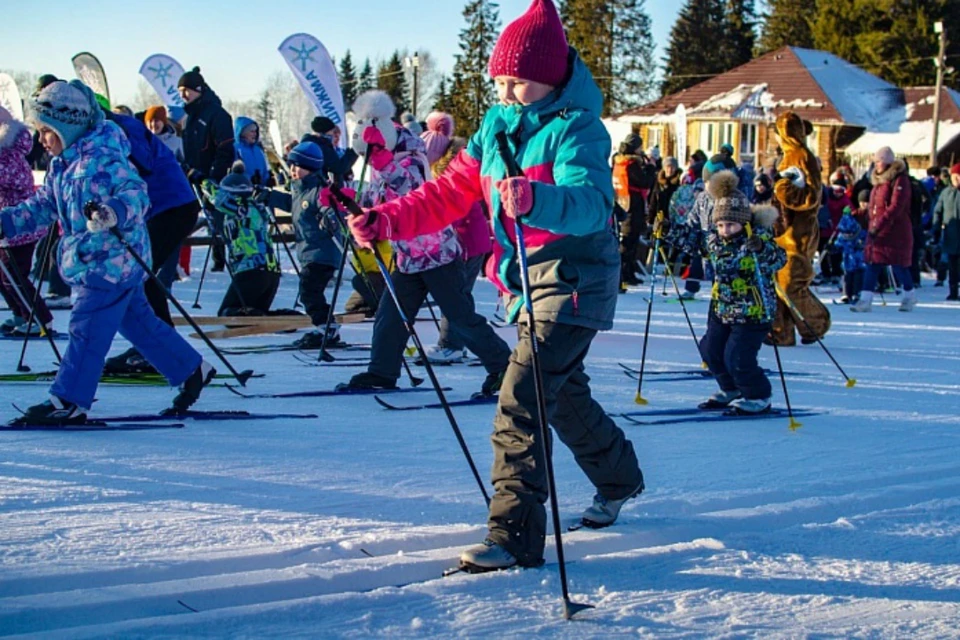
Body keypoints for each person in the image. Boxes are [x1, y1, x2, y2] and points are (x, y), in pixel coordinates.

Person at [344, 0, 644, 572]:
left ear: (552, 77)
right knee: (563, 395)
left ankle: (514, 534)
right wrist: (387, 220)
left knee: (521, 398)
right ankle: (620, 478)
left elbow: (592, 206)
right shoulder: (496, 126)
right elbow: (447, 192)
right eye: (501, 81)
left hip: (574, 281)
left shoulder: (578, 129)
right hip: (523, 283)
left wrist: (537, 199)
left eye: (521, 83)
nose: (508, 93)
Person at [0, 80, 214, 423]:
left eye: (46, 131)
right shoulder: (61, 166)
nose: (41, 139)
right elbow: (43, 206)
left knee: (86, 329)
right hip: (95, 259)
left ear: (66, 126)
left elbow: (136, 192)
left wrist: (113, 210)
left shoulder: (103, 156)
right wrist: (6, 223)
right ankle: (192, 369)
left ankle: (69, 399)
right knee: (140, 324)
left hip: (108, 260)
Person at [336, 90, 511, 395]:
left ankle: (503, 367)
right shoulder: (378, 160)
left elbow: (412, 191)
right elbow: (378, 201)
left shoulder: (412, 153)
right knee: (390, 316)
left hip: (436, 253)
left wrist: (385, 163)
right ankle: (381, 372)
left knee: (460, 317)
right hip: (406, 256)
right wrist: (348, 199)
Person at [97, 98, 202, 374]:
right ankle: (158, 345)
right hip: (163, 207)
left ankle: (160, 347)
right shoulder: (115, 128)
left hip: (173, 207)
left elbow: (141, 163)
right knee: (145, 277)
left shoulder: (121, 128)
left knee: (142, 276)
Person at [692, 171, 786, 414]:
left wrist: (762, 248)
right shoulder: (714, 240)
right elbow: (691, 242)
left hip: (752, 311)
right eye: (721, 225)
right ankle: (731, 388)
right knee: (711, 351)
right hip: (722, 307)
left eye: (730, 225)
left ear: (743, 223)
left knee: (738, 358)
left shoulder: (757, 239)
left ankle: (758, 395)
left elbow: (778, 259)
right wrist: (667, 230)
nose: (725, 230)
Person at [420, 111, 495, 364]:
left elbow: (459, 214)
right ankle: (456, 343)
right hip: (463, 242)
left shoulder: (451, 178)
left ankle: (452, 344)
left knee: (456, 295)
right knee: (456, 294)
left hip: (467, 243)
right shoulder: (446, 174)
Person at [261, 142, 345, 347]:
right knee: (310, 292)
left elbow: (330, 206)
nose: (292, 170)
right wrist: (269, 196)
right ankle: (326, 326)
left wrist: (329, 218)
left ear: (311, 168)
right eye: (291, 165)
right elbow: (292, 204)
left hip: (323, 252)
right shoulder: (299, 190)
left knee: (309, 291)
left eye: (297, 166)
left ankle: (327, 328)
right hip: (309, 252)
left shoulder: (318, 189)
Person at [770, 111, 830, 344]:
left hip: (799, 232)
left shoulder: (802, 156)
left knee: (791, 282)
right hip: (784, 230)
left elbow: (811, 197)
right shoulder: (788, 156)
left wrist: (782, 188)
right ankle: (781, 332)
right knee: (777, 279)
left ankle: (816, 323)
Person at [0, 106, 55, 336]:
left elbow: (19, 180)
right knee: (4, 275)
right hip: (6, 227)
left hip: (21, 227)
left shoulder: (9, 154)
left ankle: (40, 318)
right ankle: (19, 313)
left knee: (15, 275)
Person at [202, 162, 280, 316]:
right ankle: (283, 316)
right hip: (271, 272)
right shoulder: (257, 206)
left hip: (250, 269)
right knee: (256, 310)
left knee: (227, 314)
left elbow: (217, 197)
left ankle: (263, 316)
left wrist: (198, 178)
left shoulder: (239, 208)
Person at [178, 67, 235, 272]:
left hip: (212, 178)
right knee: (184, 219)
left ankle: (225, 258)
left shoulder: (216, 114)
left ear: (199, 89)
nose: (183, 96)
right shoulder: (189, 117)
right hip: (192, 176)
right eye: (180, 91)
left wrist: (213, 176)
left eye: (187, 90)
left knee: (218, 219)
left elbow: (225, 149)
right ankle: (177, 263)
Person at [851, 146, 917, 312]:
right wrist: (859, 214)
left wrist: (878, 224)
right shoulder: (877, 183)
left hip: (896, 231)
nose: (877, 164)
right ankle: (865, 300)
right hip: (878, 231)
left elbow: (896, 207)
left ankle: (909, 295)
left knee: (899, 265)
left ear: (887, 162)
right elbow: (874, 207)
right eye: (876, 161)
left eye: (879, 161)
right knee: (872, 264)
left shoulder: (900, 180)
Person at [612, 132, 654, 285]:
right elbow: (644, 182)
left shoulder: (618, 162)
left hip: (622, 203)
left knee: (629, 241)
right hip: (632, 205)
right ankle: (624, 274)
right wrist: (650, 170)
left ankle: (628, 272)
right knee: (629, 242)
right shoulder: (631, 164)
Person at [931, 163, 960, 301]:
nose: (958, 180)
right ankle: (953, 291)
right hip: (950, 235)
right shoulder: (946, 193)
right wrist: (936, 227)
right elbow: (937, 210)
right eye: (956, 177)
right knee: (952, 265)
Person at [834, 209, 867, 304]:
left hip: (858, 259)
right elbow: (839, 243)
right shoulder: (842, 236)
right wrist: (833, 248)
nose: (847, 235)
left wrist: (862, 245)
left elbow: (867, 242)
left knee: (858, 274)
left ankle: (857, 293)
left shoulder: (861, 233)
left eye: (849, 233)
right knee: (846, 275)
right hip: (847, 259)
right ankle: (846, 294)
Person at [233, 117, 273, 187]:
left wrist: (268, 180)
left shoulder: (258, 150)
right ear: (243, 133)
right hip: (242, 189)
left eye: (256, 131)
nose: (255, 134)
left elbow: (265, 168)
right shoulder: (235, 149)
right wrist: (248, 180)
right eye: (252, 131)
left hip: (261, 189)